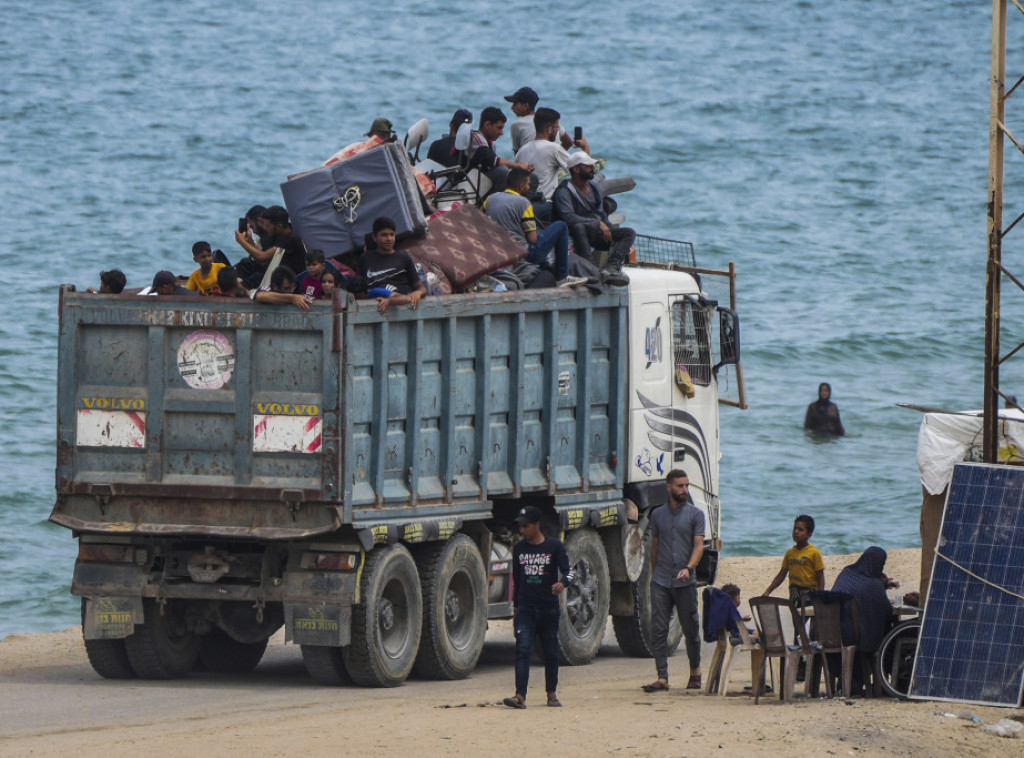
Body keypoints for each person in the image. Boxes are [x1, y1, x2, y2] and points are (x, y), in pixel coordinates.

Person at [504, 505, 574, 710]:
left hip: (548, 609)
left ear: (537, 525)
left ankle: (551, 694)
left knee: (551, 652)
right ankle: (520, 696)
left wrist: (563, 584)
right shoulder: (519, 549)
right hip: (526, 609)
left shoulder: (554, 547)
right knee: (522, 650)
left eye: (526, 526)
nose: (522, 531)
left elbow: (569, 572)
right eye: (520, 526)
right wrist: (516, 607)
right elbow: (517, 579)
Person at [641, 469, 705, 693]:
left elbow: (699, 546)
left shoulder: (696, 515)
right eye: (680, 486)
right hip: (661, 580)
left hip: (685, 581)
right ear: (669, 487)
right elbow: (655, 546)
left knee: (691, 629)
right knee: (658, 629)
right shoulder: (657, 515)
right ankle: (662, 677)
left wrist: (689, 568)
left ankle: (695, 671)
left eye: (687, 485)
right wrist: (653, 574)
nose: (684, 490)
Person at [483, 167, 587, 288]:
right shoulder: (523, 203)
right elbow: (532, 239)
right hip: (522, 253)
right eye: (528, 184)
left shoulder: (491, 198)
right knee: (561, 226)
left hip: (497, 248)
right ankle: (562, 277)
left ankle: (548, 269)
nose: (530, 186)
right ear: (521, 186)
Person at [552, 153, 634, 284]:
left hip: (598, 234)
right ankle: (592, 268)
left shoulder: (594, 187)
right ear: (576, 169)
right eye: (588, 166)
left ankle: (612, 267)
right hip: (581, 233)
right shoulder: (564, 191)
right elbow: (568, 217)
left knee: (629, 233)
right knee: (579, 227)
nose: (592, 168)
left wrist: (611, 231)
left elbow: (601, 213)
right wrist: (596, 223)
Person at [515, 107, 591, 202]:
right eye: (557, 127)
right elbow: (580, 170)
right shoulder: (554, 148)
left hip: (525, 202)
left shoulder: (522, 150)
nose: (557, 130)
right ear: (550, 129)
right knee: (596, 178)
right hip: (546, 203)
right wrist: (586, 148)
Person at [360, 216, 426, 315]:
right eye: (384, 235)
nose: (389, 239)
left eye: (392, 234)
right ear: (374, 237)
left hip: (406, 311)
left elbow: (421, 287)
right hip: (375, 312)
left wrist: (418, 293)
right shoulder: (366, 259)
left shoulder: (404, 258)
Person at [234, 206, 306, 289]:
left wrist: (241, 241)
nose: (265, 228)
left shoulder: (290, 239)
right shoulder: (280, 235)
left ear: (279, 226)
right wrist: (250, 243)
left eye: (268, 226)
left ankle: (238, 291)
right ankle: (236, 284)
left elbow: (262, 257)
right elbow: (264, 262)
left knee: (257, 277)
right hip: (275, 272)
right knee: (247, 263)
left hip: (288, 280)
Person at [762, 515, 825, 607]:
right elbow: (781, 575)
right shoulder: (790, 553)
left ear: (809, 534)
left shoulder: (814, 552)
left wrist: (820, 597)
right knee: (796, 620)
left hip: (810, 597)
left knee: (809, 620)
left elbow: (820, 577)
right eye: (795, 528)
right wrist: (768, 591)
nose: (796, 532)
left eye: (800, 529)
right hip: (794, 596)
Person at [465, 107, 534, 180]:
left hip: (482, 179)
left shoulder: (491, 144)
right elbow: (493, 161)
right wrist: (518, 166)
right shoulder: (476, 139)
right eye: (499, 128)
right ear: (487, 125)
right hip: (470, 181)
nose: (501, 133)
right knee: (502, 171)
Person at [505, 87, 573, 154]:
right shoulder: (549, 120)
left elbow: (518, 155)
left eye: (515, 104)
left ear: (526, 105)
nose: (512, 107)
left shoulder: (517, 125)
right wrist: (558, 155)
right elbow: (568, 142)